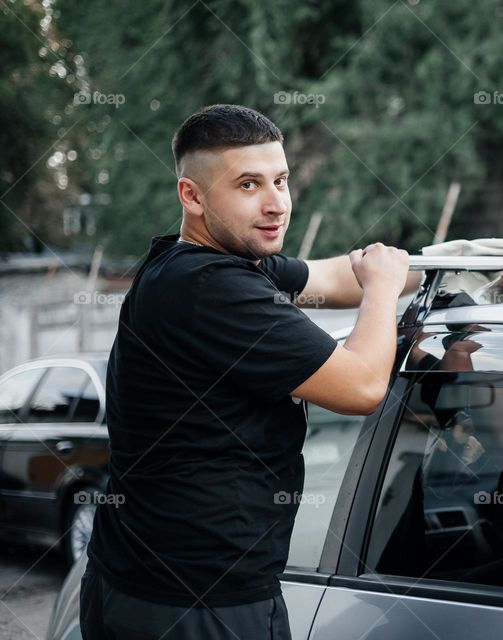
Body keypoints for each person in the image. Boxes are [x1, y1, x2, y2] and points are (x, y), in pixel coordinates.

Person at [79, 104, 421, 639]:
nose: (275, 204)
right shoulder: (213, 289)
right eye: (248, 185)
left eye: (281, 181)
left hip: (142, 579)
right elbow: (362, 388)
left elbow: (333, 277)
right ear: (191, 196)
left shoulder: (204, 263)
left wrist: (434, 269)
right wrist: (382, 291)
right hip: (197, 601)